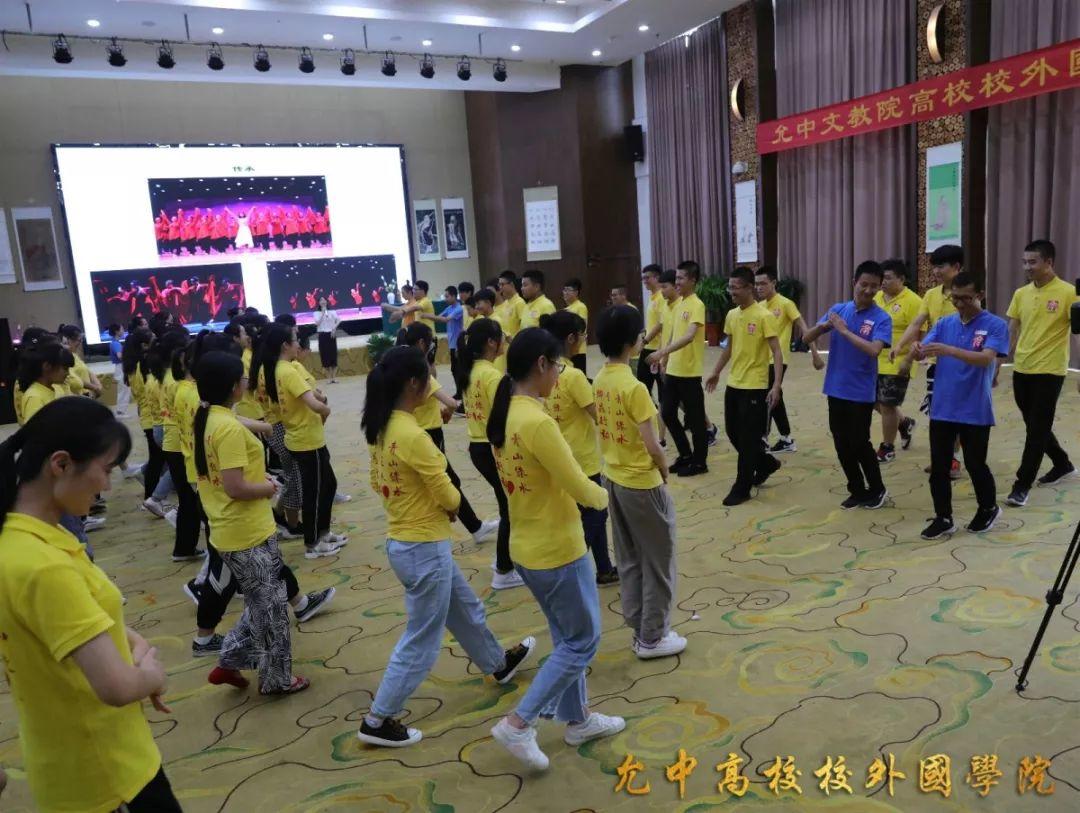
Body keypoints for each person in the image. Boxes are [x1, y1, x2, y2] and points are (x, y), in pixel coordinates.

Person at [0, 398, 181, 811]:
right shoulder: (45, 567)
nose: (107, 486)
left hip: (67, 763)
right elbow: (116, 687)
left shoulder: (21, 540)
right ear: (61, 464)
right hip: (109, 773)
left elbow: (77, 620)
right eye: (106, 469)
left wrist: (132, 644)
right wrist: (150, 675)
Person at [357, 346, 535, 747]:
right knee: (422, 637)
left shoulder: (381, 427)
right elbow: (449, 494)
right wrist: (449, 506)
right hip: (423, 547)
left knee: (464, 607)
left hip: (408, 542)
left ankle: (497, 663)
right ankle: (378, 718)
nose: (433, 381)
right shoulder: (412, 436)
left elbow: (378, 482)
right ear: (413, 384)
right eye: (428, 375)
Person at [486, 328, 622, 772]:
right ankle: (519, 722)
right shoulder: (537, 422)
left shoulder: (506, 413)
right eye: (557, 366)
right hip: (557, 549)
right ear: (541, 365)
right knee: (582, 641)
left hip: (528, 546)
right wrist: (610, 495)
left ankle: (578, 719)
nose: (560, 375)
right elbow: (579, 484)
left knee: (566, 637)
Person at [192, 351, 310, 695]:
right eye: (242, 379)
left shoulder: (209, 417)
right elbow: (235, 487)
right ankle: (277, 680)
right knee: (271, 607)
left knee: (263, 600)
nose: (246, 382)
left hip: (233, 526)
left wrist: (261, 474)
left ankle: (230, 661)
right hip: (245, 529)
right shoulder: (226, 427)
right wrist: (269, 487)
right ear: (233, 386)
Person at [594, 306, 685, 658]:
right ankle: (653, 636)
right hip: (641, 483)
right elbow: (653, 445)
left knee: (630, 557)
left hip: (613, 479)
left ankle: (639, 627)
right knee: (659, 559)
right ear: (633, 342)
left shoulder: (600, 378)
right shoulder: (634, 387)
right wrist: (664, 469)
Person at [911, 272, 1008, 538]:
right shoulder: (944, 323)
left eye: (966, 298)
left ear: (980, 295)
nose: (959, 304)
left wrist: (949, 350)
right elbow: (924, 350)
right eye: (955, 298)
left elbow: (986, 359)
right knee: (939, 467)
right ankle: (943, 517)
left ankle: (988, 508)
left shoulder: (995, 325)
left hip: (975, 407)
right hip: (943, 406)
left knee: (975, 464)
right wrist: (917, 350)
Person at [396, 322, 498, 544]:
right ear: (422, 343)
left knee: (440, 480)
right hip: (430, 433)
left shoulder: (401, 364)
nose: (433, 345)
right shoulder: (418, 368)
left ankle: (474, 526)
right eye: (431, 341)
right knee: (447, 480)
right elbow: (450, 402)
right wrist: (452, 411)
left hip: (411, 430)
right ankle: (473, 527)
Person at [804, 261, 893, 509]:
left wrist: (843, 331)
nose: (868, 290)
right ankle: (857, 489)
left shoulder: (881, 318)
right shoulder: (839, 309)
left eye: (874, 286)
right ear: (854, 282)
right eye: (864, 284)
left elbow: (874, 350)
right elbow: (806, 337)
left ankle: (877, 489)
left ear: (880, 288)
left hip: (860, 391)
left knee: (859, 443)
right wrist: (823, 326)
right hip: (835, 387)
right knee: (841, 443)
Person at [539, 310, 617, 584]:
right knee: (597, 512)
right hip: (583, 459)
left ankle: (604, 568)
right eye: (582, 335)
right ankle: (571, 567)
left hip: (558, 456)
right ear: (571, 338)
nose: (584, 339)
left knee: (584, 513)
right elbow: (599, 416)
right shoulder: (573, 376)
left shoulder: (544, 371)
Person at [258, 323, 346, 558]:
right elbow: (314, 403)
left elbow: (309, 394)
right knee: (314, 492)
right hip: (306, 439)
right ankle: (313, 543)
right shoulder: (287, 371)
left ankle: (323, 532)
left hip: (307, 436)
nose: (299, 344)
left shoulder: (281, 368)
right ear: (285, 345)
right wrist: (326, 410)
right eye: (295, 340)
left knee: (328, 484)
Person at [1004, 239, 1079, 507]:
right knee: (1035, 424)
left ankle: (1021, 485)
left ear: (1049, 262)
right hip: (1022, 367)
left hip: (1050, 370)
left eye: (1033, 262)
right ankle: (1062, 463)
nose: (1027, 267)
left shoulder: (1069, 293)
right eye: (1025, 262)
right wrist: (999, 362)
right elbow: (1012, 329)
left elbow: (1079, 334)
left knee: (1036, 430)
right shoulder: (1020, 293)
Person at [705, 267, 784, 506]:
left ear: (749, 288)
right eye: (730, 287)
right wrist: (716, 372)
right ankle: (766, 463)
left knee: (749, 439)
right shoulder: (732, 315)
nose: (731, 292)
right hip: (734, 383)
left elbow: (776, 351)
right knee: (733, 433)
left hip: (756, 385)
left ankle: (742, 487)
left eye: (735, 287)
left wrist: (776, 385)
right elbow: (729, 347)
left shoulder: (764, 316)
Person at [456, 318, 523, 590]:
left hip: (478, 447)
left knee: (506, 503)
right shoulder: (492, 376)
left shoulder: (472, 371)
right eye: (502, 336)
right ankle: (504, 570)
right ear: (492, 343)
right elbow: (507, 415)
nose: (505, 341)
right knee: (510, 507)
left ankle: (503, 559)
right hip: (492, 448)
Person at [892, 244, 963, 476]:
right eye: (934, 267)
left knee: (956, 412)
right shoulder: (931, 295)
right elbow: (917, 323)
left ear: (956, 266)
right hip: (936, 364)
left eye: (941, 266)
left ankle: (953, 458)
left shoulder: (966, 293)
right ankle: (942, 457)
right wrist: (900, 345)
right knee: (938, 412)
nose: (936, 272)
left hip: (961, 364)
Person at [646, 261, 709, 476]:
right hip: (673, 369)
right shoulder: (680, 303)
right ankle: (685, 454)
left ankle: (700, 462)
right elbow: (673, 333)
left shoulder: (697, 305)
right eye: (677, 278)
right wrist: (665, 359)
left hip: (689, 371)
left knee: (695, 419)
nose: (677, 282)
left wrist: (661, 353)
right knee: (668, 413)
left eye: (681, 278)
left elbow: (689, 336)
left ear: (693, 280)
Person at [753, 266, 823, 453]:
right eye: (756, 284)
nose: (759, 287)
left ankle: (763, 437)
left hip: (778, 359)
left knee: (767, 396)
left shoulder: (785, 304)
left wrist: (815, 354)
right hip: (761, 360)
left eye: (763, 283)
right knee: (775, 396)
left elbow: (804, 328)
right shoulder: (759, 306)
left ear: (773, 283)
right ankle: (786, 439)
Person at [158, 328, 206, 562]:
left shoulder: (176, 380)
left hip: (177, 441)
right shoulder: (180, 385)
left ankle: (185, 547)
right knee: (189, 501)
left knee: (188, 501)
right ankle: (184, 547)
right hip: (178, 443)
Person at [873, 260, 923, 463]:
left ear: (901, 279)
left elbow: (919, 334)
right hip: (874, 359)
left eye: (888, 278)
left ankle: (887, 448)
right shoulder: (876, 297)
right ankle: (904, 423)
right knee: (871, 400)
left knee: (887, 405)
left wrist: (909, 359)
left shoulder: (914, 301)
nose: (883, 282)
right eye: (881, 278)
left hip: (897, 362)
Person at [420, 285, 465, 400]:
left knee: (459, 369)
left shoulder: (458, 309)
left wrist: (427, 315)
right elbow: (438, 317)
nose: (445, 299)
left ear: (454, 296)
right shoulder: (449, 308)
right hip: (452, 343)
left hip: (458, 344)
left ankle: (462, 392)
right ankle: (459, 392)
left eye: (447, 296)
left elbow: (445, 319)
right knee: (454, 369)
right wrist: (428, 316)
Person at [58, 323, 102, 399]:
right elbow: (73, 379)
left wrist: (98, 385)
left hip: (87, 395)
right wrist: (95, 388)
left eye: (82, 340)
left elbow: (87, 371)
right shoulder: (64, 358)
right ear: (67, 340)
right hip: (78, 397)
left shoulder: (74, 355)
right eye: (79, 340)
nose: (80, 343)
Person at [562, 278, 589, 373]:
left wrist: (575, 348)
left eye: (568, 290)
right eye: (564, 290)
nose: (565, 293)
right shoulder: (566, 309)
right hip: (568, 350)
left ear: (576, 292)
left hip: (578, 351)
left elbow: (582, 329)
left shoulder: (580, 306)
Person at [314, 296, 341, 383]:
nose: (323, 301)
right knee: (325, 355)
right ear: (319, 303)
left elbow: (339, 320)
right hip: (322, 335)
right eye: (321, 300)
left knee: (333, 355)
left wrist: (334, 328)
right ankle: (329, 378)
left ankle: (334, 377)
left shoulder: (332, 312)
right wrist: (322, 313)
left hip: (331, 334)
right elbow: (317, 323)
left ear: (326, 302)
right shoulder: (316, 313)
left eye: (324, 300)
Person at [495, 270, 526, 338]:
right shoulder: (506, 302)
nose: (500, 287)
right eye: (499, 285)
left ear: (511, 284)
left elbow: (524, 327)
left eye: (502, 284)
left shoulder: (519, 302)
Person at [109, 323, 131, 417]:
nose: (123, 331)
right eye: (122, 329)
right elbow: (120, 356)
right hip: (121, 368)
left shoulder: (115, 343)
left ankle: (121, 411)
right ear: (117, 331)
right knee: (124, 390)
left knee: (124, 390)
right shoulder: (116, 344)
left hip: (120, 367)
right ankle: (120, 412)